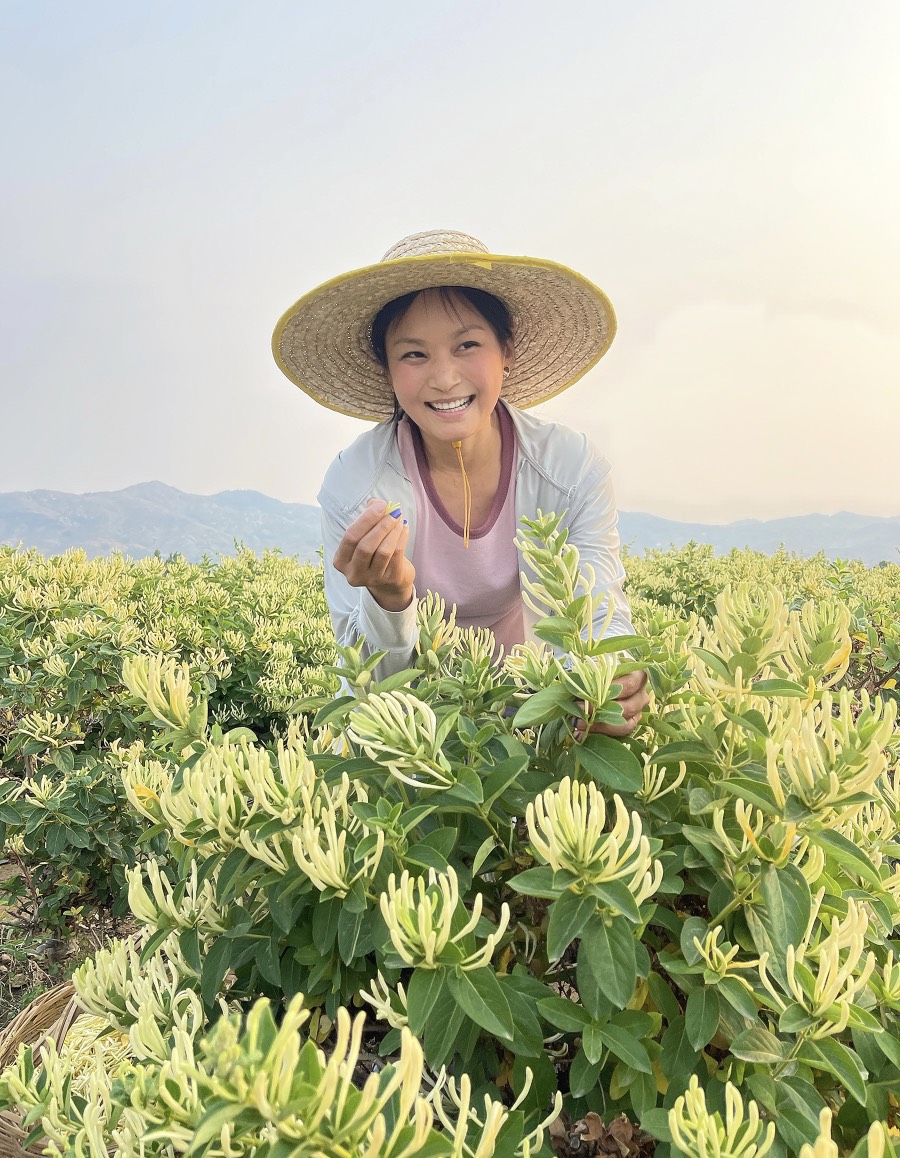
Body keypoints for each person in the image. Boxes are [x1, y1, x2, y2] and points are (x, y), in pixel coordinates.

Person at [272, 229, 649, 737]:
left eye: (467, 344)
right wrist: (390, 598)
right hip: (412, 734)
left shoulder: (568, 468)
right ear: (387, 369)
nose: (445, 378)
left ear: (505, 352)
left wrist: (614, 678)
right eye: (414, 355)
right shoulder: (356, 484)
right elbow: (368, 678)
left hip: (534, 706)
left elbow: (599, 608)